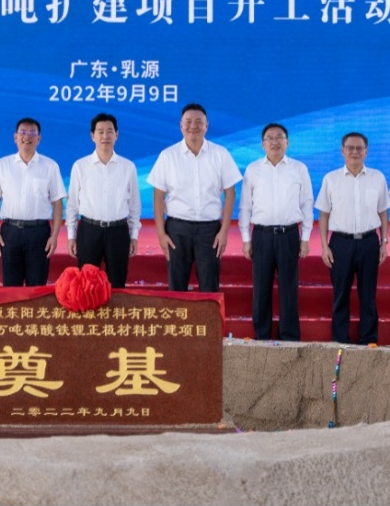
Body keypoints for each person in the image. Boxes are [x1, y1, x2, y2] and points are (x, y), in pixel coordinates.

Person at [148, 103, 241, 292]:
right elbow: (158, 196)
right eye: (188, 121)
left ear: (207, 125)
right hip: (177, 230)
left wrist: (224, 231)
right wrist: (161, 234)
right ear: (181, 126)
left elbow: (230, 193)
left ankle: (208, 314)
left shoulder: (220, 154)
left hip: (210, 231)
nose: (193, 126)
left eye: (199, 122)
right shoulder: (168, 156)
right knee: (177, 288)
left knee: (209, 288)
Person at [238, 123, 313, 341]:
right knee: (261, 288)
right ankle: (262, 335)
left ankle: (289, 336)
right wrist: (246, 239)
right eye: (269, 138)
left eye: (279, 137)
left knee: (289, 288)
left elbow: (307, 203)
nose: (274, 142)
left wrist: (305, 238)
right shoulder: (253, 169)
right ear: (263, 144)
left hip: (289, 234)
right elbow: (245, 207)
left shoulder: (299, 168)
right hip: (261, 235)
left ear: (287, 142)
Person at [315, 132, 390, 345]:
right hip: (341, 243)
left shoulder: (377, 177)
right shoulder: (331, 179)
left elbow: (383, 212)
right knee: (341, 295)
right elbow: (323, 214)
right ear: (342, 151)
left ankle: (369, 339)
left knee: (368, 295)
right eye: (350, 148)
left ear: (366, 151)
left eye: (359, 148)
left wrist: (384, 243)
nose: (354, 152)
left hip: (369, 242)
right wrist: (324, 246)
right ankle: (340, 340)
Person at [0, 117, 67, 286]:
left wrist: (54, 236)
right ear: (15, 137)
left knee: (37, 286)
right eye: (23, 132)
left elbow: (58, 203)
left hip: (39, 233)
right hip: (10, 232)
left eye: (32, 133)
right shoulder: (3, 165)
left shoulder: (50, 166)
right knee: (11, 287)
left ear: (39, 138)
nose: (27, 136)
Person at [66, 113, 141, 289]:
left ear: (117, 135)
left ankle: (116, 309)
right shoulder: (80, 166)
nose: (105, 136)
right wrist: (71, 236)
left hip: (118, 231)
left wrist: (134, 236)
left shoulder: (128, 167)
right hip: (89, 231)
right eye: (100, 132)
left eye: (109, 131)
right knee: (86, 285)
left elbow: (134, 205)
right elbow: (72, 205)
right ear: (92, 136)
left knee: (117, 284)